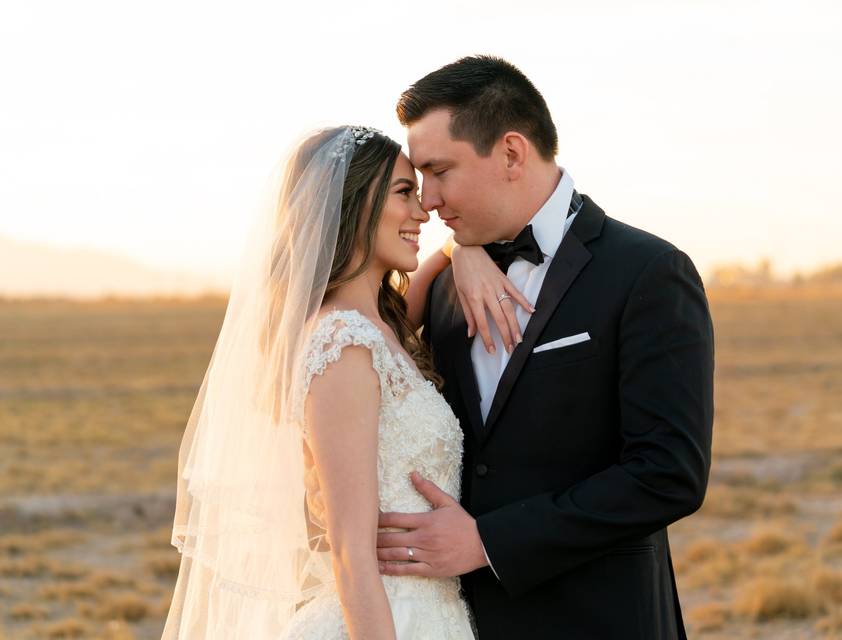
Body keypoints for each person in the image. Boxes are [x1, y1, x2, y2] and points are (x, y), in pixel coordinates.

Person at [376, 56, 715, 639]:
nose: (427, 200)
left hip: (601, 619)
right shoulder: (446, 286)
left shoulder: (648, 271)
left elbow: (669, 473)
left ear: (511, 153)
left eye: (439, 171)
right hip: (461, 622)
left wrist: (489, 542)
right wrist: (461, 251)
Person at [161, 125, 516, 639]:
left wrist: (460, 251)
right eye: (403, 193)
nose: (422, 213)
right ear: (350, 207)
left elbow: (413, 292)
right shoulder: (343, 346)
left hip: (432, 613)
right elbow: (351, 554)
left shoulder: (378, 326)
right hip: (388, 618)